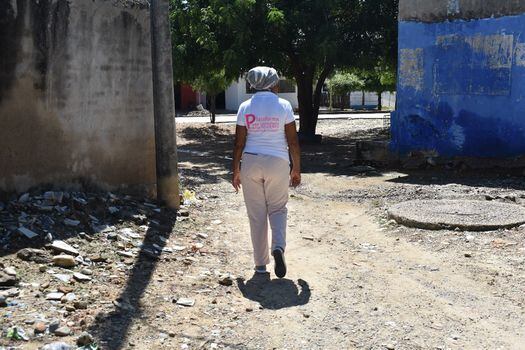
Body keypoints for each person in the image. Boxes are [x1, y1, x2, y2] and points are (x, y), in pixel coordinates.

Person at [232, 66, 301, 278]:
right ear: (274, 84)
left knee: (257, 215)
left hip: (251, 162)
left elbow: (239, 143)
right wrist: (296, 168)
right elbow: (292, 141)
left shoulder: (245, 106)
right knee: (278, 209)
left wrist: (236, 170)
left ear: (253, 84)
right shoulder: (283, 105)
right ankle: (278, 248)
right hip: (278, 162)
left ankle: (261, 265)